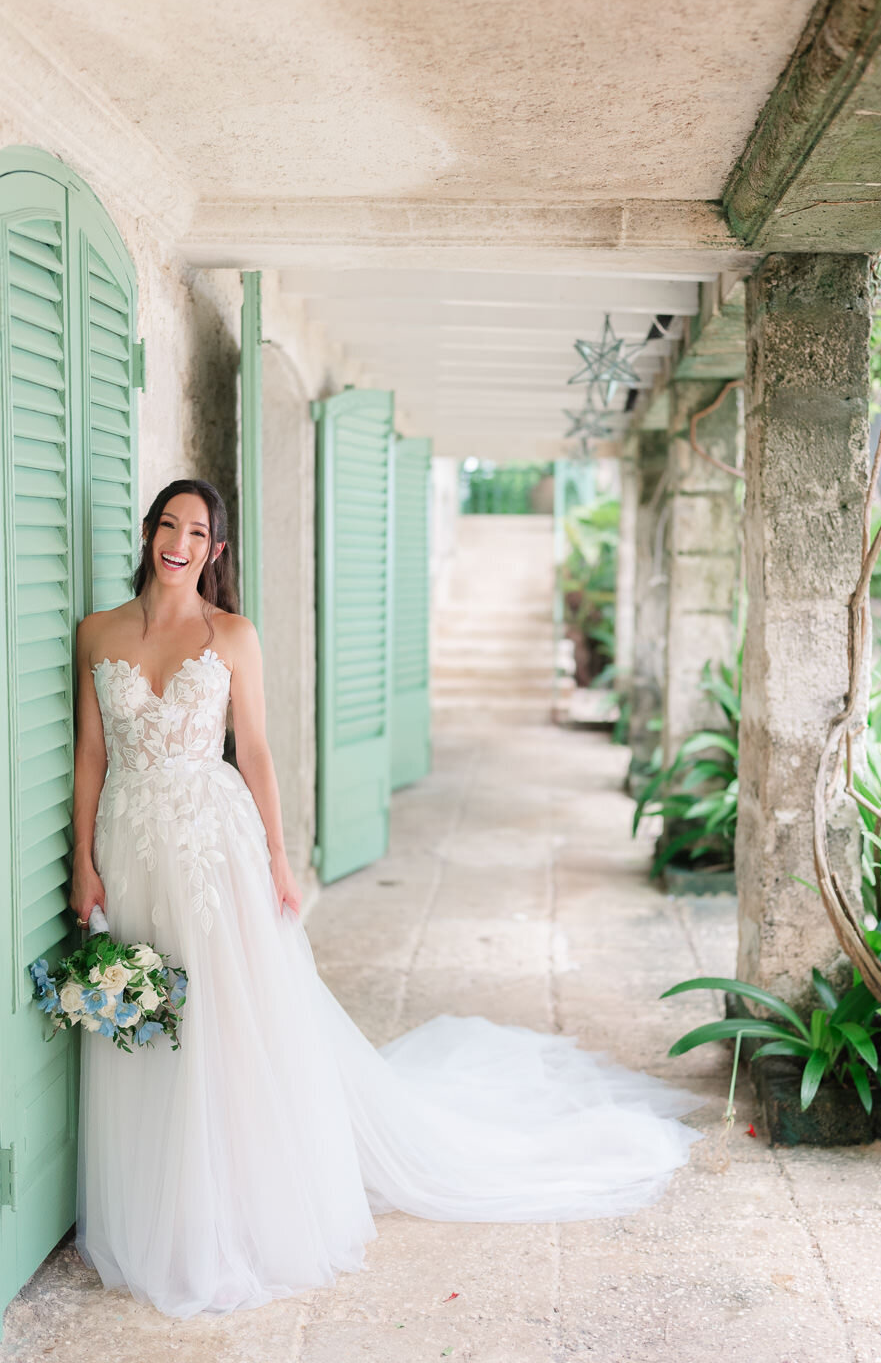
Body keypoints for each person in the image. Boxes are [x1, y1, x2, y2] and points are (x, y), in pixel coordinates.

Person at [71, 478, 704, 1319]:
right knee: (143, 1024)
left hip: (209, 847)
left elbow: (254, 751)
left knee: (218, 1024)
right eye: (167, 525)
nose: (178, 542)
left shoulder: (233, 635)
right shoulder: (97, 633)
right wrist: (83, 860)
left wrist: (278, 857)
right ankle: (153, 1198)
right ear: (149, 533)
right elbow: (90, 754)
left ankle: (222, 1211)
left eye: (197, 531)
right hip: (128, 841)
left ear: (215, 551)